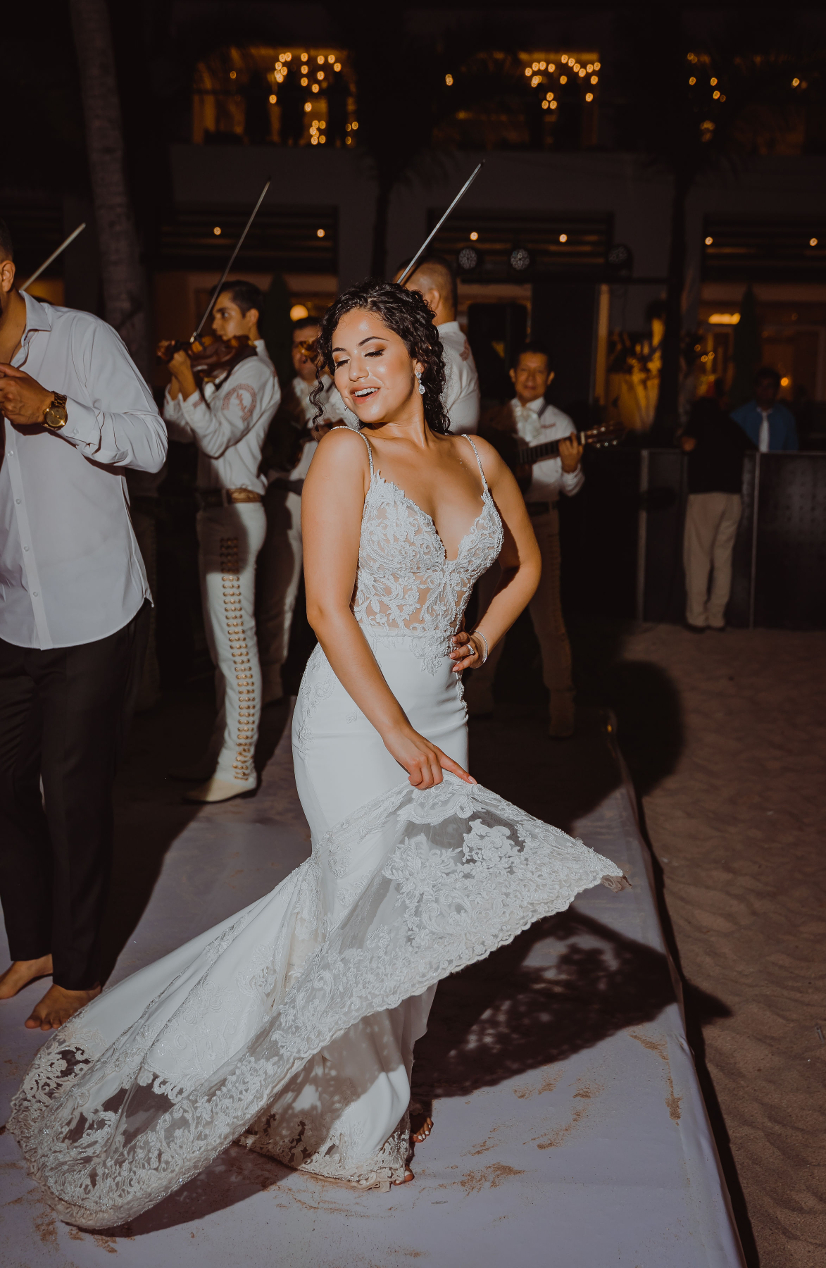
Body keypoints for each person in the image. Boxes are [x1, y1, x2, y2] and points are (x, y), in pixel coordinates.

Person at [10, 280, 625, 1225]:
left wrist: (485, 634)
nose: (354, 373)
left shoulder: (475, 455)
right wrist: (395, 733)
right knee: (356, 913)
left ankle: (386, 1069)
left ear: (420, 357)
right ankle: (366, 1118)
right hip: (354, 720)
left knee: (414, 919)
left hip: (442, 711)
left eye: (372, 351)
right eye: (340, 359)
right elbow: (327, 613)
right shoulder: (346, 452)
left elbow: (525, 561)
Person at [0, 217, 166, 1031]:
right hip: (10, 612)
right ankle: (32, 944)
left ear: (1, 272)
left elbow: (152, 444)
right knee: (2, 785)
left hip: (94, 609)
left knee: (72, 796)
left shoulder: (82, 338)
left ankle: (80, 967)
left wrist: (55, 409)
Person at [162, 280, 280, 802]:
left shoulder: (254, 371)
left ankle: (239, 764)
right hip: (213, 512)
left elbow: (212, 437)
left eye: (226, 315)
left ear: (252, 318)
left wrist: (191, 376)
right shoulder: (226, 369)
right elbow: (177, 428)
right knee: (219, 648)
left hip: (235, 513)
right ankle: (221, 752)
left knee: (235, 645)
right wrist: (180, 379)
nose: (215, 326)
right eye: (215, 318)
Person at [468, 342, 584, 738]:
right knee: (488, 614)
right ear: (513, 375)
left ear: (549, 378)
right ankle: (478, 696)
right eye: (525, 370)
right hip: (497, 527)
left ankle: (562, 708)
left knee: (548, 622)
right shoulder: (491, 419)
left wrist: (571, 468)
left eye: (539, 371)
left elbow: (571, 489)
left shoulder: (563, 424)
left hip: (542, 525)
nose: (531, 378)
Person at [256, 318, 352, 705]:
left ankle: (335, 680)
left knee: (333, 596)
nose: (304, 352)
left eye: (311, 344)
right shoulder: (278, 394)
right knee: (278, 595)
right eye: (298, 345)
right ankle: (271, 679)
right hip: (286, 498)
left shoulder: (343, 390)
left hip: (330, 506)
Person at [680, 393, 754, 633]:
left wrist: (681, 435)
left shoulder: (700, 419)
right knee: (723, 558)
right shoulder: (731, 425)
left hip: (706, 496)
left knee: (698, 557)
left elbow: (687, 445)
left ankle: (697, 617)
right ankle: (717, 617)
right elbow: (752, 448)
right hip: (733, 498)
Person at [396, 255, 480, 434]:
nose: (393, 308)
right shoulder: (454, 344)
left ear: (431, 300)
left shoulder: (438, 350)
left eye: (401, 298)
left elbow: (401, 428)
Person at [731, 366, 799, 452]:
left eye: (769, 386)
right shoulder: (739, 417)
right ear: (755, 388)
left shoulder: (786, 418)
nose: (764, 390)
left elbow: (792, 451)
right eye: (760, 385)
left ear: (776, 389)